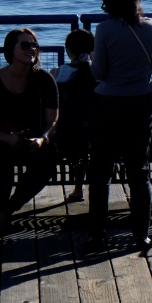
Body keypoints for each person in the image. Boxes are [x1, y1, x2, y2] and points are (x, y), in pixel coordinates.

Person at [88, 0, 152, 253]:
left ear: (107, 4)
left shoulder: (104, 29)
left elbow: (99, 73)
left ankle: (97, 235)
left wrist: (91, 61)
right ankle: (141, 235)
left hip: (108, 103)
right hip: (142, 101)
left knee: (101, 171)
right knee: (139, 170)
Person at [0, 28, 59, 238]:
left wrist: (42, 139)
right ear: (10, 49)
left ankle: (6, 211)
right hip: (1, 140)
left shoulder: (44, 80)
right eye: (25, 45)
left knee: (48, 161)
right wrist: (8, 138)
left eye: (34, 45)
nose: (32, 49)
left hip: (32, 141)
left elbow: (53, 120)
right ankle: (1, 210)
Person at [51, 28, 96, 203]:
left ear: (69, 51)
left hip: (66, 133)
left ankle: (78, 189)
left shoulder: (57, 73)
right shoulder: (100, 73)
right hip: (96, 132)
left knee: (78, 144)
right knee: (86, 142)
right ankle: (88, 187)